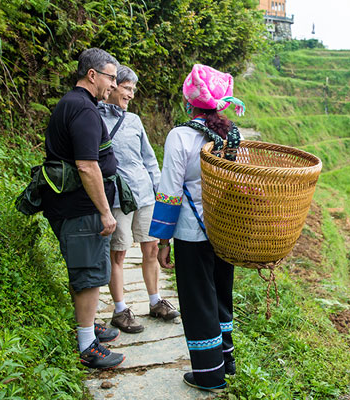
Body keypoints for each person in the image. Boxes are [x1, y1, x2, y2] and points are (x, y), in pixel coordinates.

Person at [149, 64, 246, 392]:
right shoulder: (233, 135)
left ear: (190, 103)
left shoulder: (181, 137)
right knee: (220, 293)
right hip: (225, 230)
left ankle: (209, 373)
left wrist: (163, 240)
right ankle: (227, 360)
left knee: (199, 298)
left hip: (192, 233)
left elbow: (169, 191)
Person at [41, 48, 124, 369]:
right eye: (111, 78)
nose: (114, 86)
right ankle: (87, 344)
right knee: (89, 274)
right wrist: (105, 211)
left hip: (69, 205)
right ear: (92, 75)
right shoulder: (84, 111)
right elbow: (88, 166)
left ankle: (88, 327)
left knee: (85, 268)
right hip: (80, 208)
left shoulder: (70, 104)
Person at [98, 65, 180, 334]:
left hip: (144, 195)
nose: (131, 94)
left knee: (151, 248)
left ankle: (155, 302)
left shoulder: (133, 121)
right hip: (117, 198)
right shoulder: (94, 117)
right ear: (112, 86)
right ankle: (120, 310)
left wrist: (159, 192)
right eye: (126, 88)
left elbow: (148, 159)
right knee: (118, 252)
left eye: (133, 89)